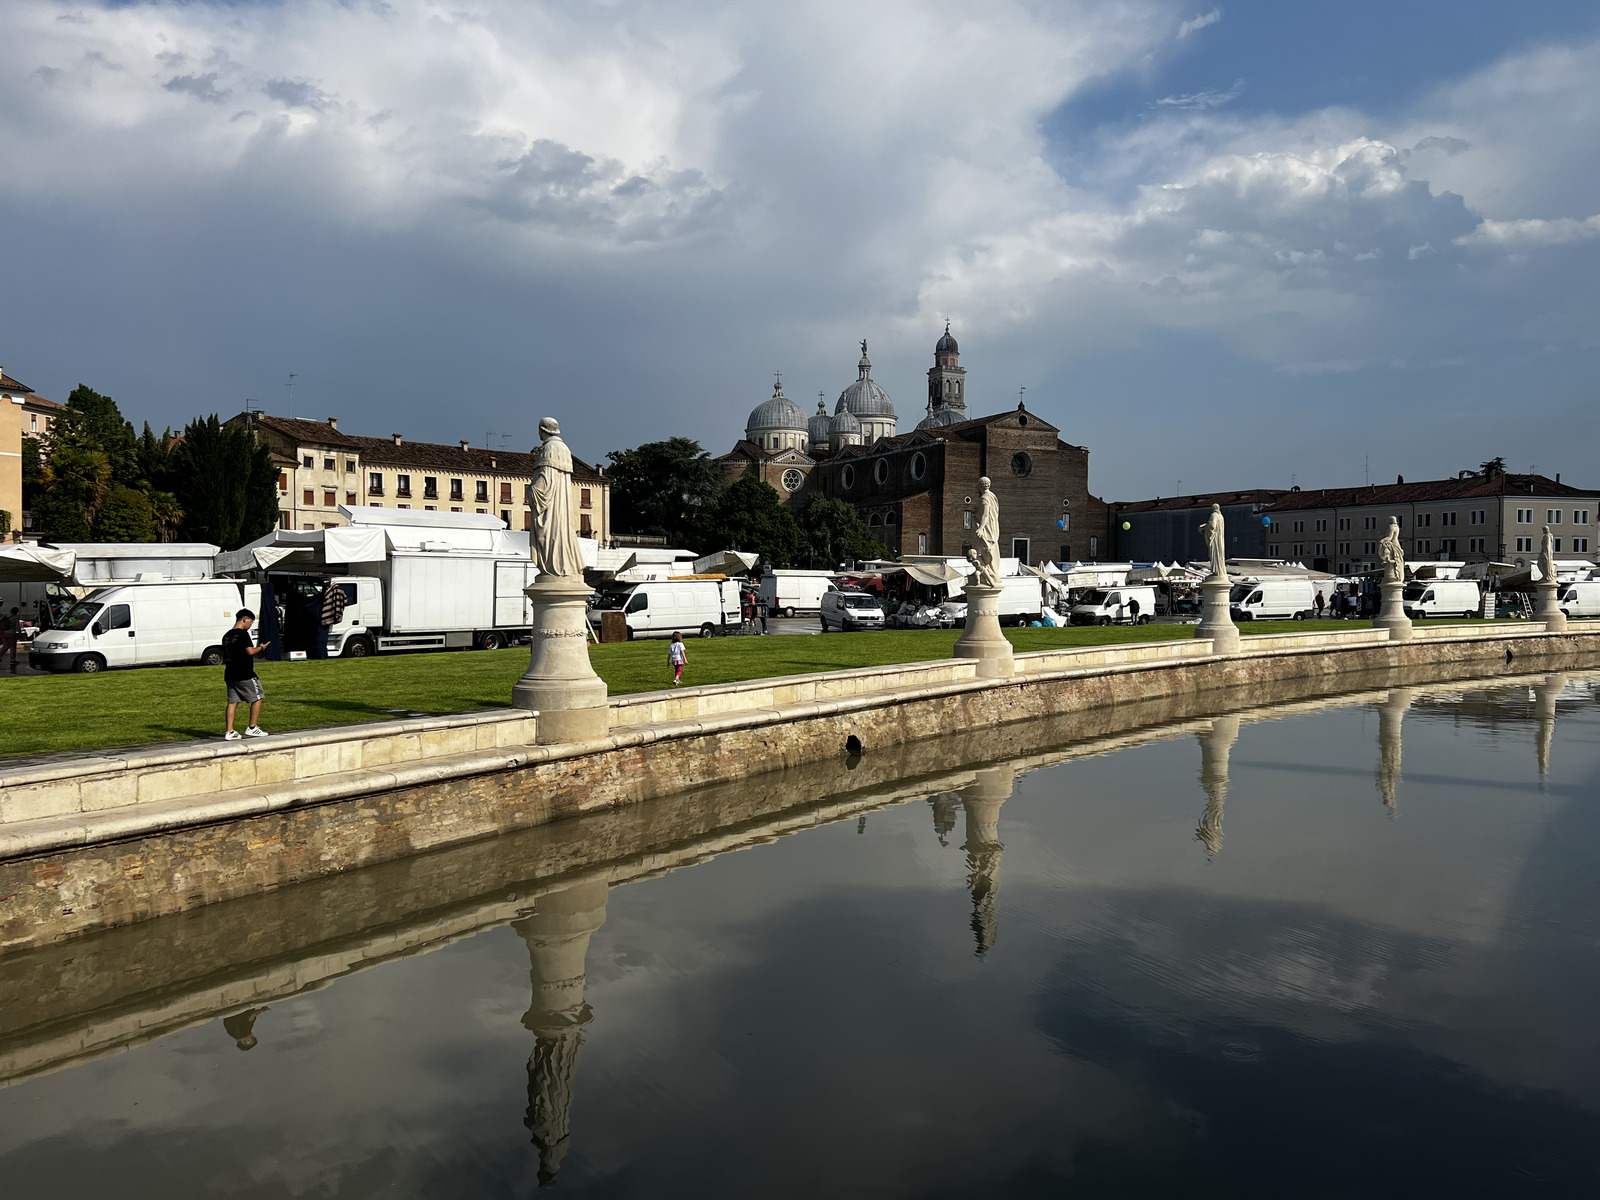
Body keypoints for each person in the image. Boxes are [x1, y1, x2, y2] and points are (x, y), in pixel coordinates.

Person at [222, 609, 271, 740]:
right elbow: (249, 651)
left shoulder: (226, 636)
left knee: (232, 702)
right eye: (251, 622)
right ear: (245, 620)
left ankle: (230, 731)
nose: (250, 625)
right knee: (258, 696)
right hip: (245, 673)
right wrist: (261, 648)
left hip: (230, 674)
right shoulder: (243, 634)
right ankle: (252, 727)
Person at [316, 580, 347, 659]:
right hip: (326, 619)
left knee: (321, 640)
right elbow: (345, 601)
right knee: (322, 640)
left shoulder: (334, 591)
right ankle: (322, 656)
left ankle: (322, 656)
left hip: (324, 620)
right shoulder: (335, 591)